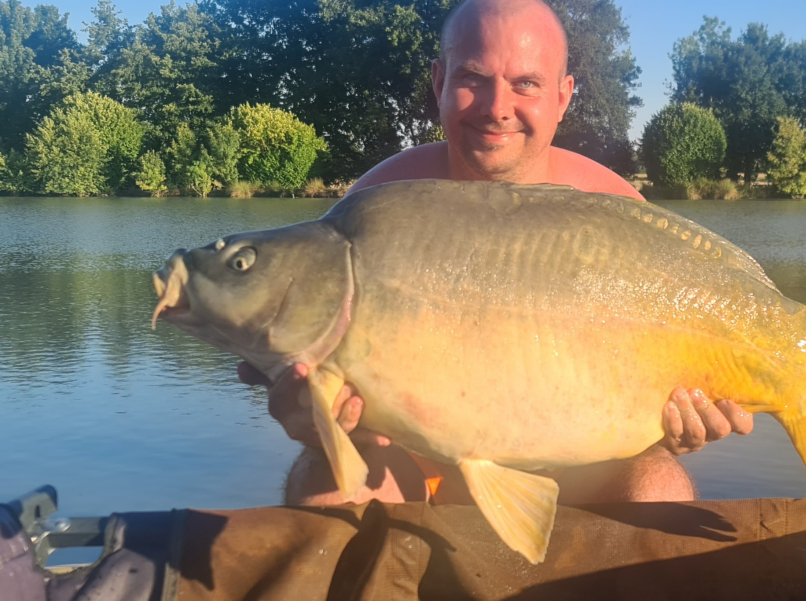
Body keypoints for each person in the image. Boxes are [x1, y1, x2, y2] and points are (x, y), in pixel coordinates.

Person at [238, 0, 754, 507]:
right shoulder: (375, 209)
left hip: (579, 463)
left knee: (659, 486)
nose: (497, 108)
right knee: (327, 486)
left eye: (525, 83)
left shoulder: (618, 214)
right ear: (439, 82)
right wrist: (316, 423)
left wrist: (681, 424)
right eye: (473, 78)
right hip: (414, 458)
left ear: (562, 96)